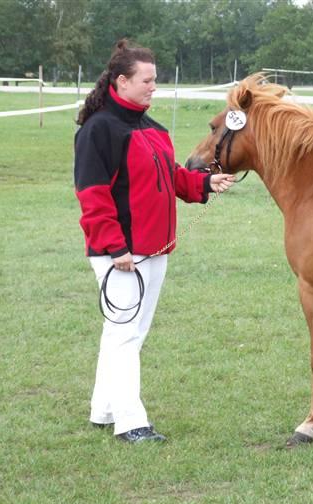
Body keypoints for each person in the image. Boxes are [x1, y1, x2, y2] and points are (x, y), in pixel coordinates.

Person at [74, 39, 235, 443]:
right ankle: (131, 422)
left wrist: (204, 182)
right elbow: (93, 197)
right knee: (126, 333)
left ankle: (104, 409)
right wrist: (116, 248)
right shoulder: (98, 131)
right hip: (123, 253)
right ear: (123, 81)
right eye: (147, 80)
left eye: (155, 80)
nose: (153, 87)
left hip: (154, 248)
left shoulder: (153, 128)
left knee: (124, 333)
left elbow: (171, 178)